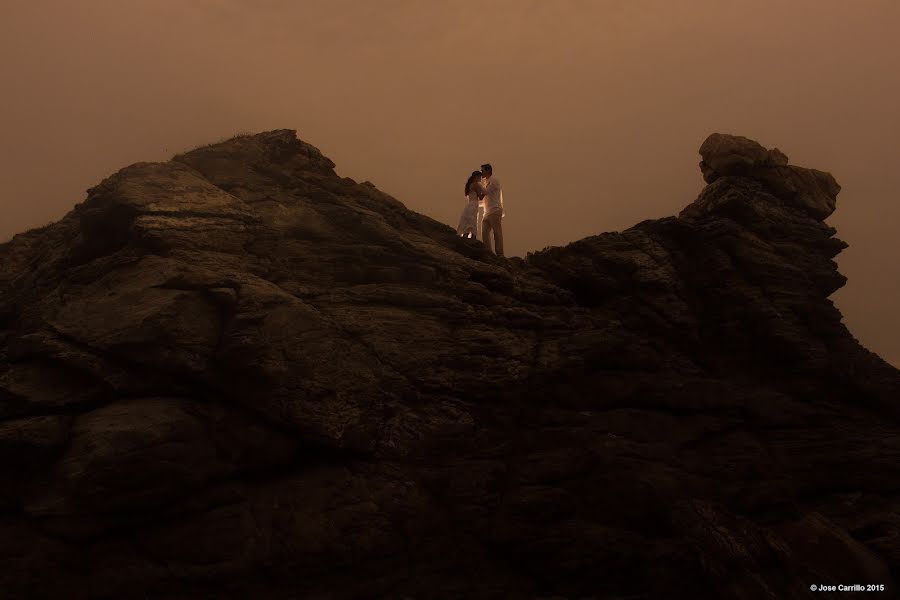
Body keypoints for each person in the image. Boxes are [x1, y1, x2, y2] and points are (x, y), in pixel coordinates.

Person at [478, 163, 504, 256]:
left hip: (495, 210)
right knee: (484, 233)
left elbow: (485, 192)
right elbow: (483, 199)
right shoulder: (486, 183)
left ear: (488, 171)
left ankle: (500, 254)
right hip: (487, 211)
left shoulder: (494, 181)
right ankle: (489, 253)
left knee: (497, 233)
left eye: (482, 170)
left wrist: (475, 186)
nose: (481, 173)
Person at [457, 171, 484, 239]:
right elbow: (480, 197)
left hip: (469, 205)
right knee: (472, 221)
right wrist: (485, 192)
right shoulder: (476, 184)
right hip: (474, 205)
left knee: (467, 222)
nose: (481, 179)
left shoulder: (470, 184)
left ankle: (465, 238)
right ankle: (472, 238)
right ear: (476, 177)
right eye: (480, 177)